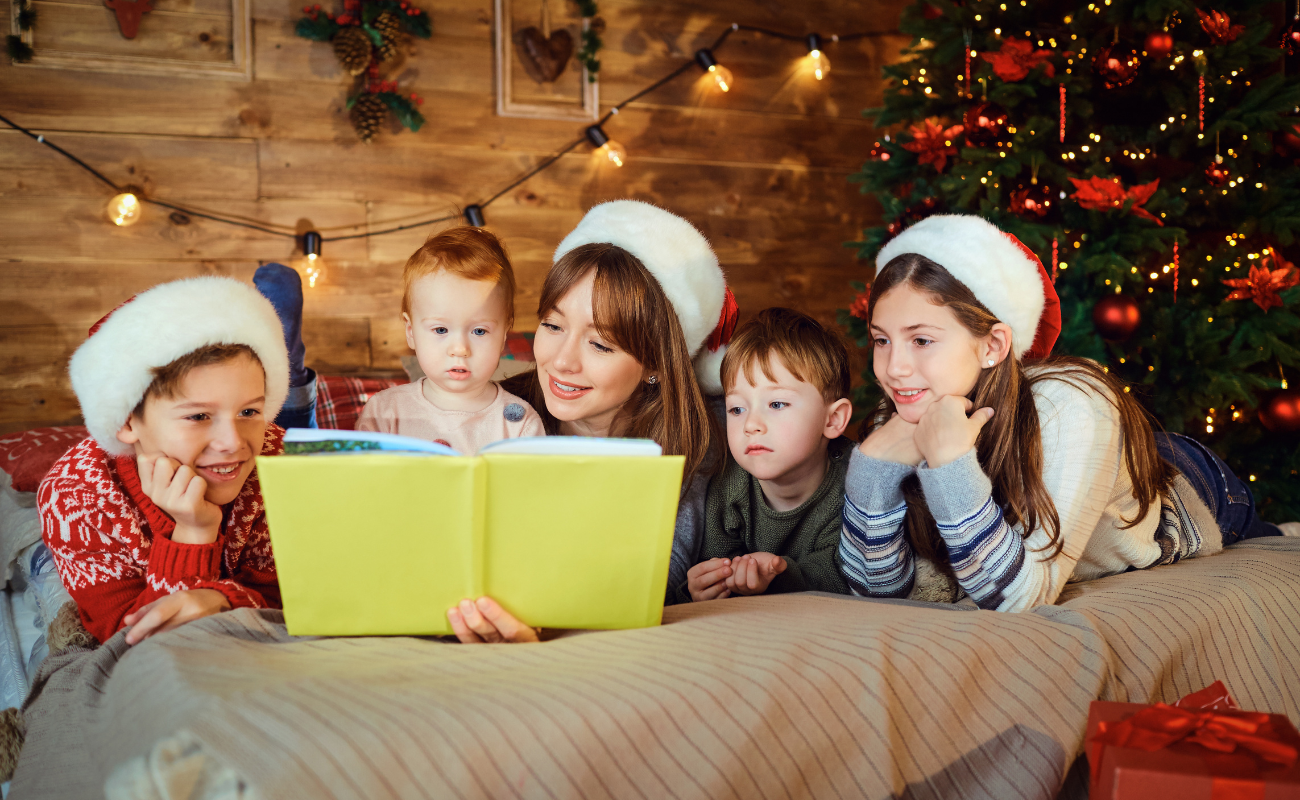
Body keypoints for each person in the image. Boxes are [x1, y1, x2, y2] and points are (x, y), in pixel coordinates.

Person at [838, 214, 1295, 612]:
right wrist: (871, 469)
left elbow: (1021, 597)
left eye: (921, 340)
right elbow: (875, 591)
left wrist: (950, 462)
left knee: (1275, 542)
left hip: (1182, 485)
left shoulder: (1073, 402)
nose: (893, 368)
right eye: (882, 340)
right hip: (1075, 465)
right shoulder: (899, 413)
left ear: (993, 345)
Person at [447, 200, 739, 642]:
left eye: (601, 344)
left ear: (656, 363)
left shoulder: (710, 439)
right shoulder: (495, 413)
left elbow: (654, 585)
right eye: (553, 325)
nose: (561, 362)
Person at [38, 277, 290, 645]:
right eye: (199, 416)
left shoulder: (277, 462)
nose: (233, 442)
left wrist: (222, 600)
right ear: (126, 420)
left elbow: (302, 596)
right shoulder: (76, 497)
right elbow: (128, 639)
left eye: (249, 410)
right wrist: (192, 535)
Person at [678, 308, 854, 603]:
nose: (751, 425)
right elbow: (716, 563)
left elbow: (848, 572)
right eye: (737, 409)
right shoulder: (729, 484)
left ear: (833, 420)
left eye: (777, 404)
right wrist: (703, 587)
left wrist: (778, 576)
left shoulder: (855, 482)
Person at [356, 227, 545, 452]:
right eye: (441, 330)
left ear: (504, 333)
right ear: (410, 332)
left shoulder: (518, 423)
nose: (459, 349)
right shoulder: (385, 412)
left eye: (479, 331)